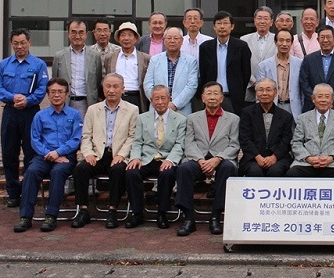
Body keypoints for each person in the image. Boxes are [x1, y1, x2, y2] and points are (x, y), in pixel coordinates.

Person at [13, 77, 82, 233]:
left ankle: (51, 216)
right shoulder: (40, 115)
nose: (56, 95)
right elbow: (35, 140)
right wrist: (49, 154)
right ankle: (25, 217)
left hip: (66, 157)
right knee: (31, 172)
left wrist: (58, 152)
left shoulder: (75, 115)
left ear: (66, 94)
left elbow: (76, 139)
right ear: (48, 95)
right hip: (43, 156)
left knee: (57, 173)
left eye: (60, 92)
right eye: (53, 92)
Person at [72, 73, 139, 229]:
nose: (111, 90)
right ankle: (83, 210)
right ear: (103, 88)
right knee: (80, 169)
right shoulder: (92, 109)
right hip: (97, 154)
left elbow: (133, 136)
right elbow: (86, 135)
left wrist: (121, 155)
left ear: (123, 89)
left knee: (118, 170)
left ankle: (112, 210)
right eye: (108, 86)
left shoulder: (132, 110)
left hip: (119, 154)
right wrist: (88, 153)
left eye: (115, 86)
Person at [0, 28, 49, 208]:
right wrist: (12, 98)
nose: (19, 46)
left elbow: (42, 88)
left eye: (23, 43)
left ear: (29, 42)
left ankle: (27, 191)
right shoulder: (3, 65)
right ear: (11, 44)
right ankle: (13, 193)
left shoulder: (39, 65)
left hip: (30, 113)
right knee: (9, 153)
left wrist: (28, 100)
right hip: (10, 113)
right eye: (16, 43)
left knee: (31, 153)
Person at [176, 81, 241, 236]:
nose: (212, 97)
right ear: (203, 98)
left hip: (221, 159)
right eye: (209, 94)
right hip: (198, 159)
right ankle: (188, 218)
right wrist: (200, 160)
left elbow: (234, 145)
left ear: (222, 98)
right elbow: (189, 142)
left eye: (216, 94)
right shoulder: (192, 118)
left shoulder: (233, 119)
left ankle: (216, 216)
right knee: (184, 169)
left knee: (228, 168)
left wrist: (218, 158)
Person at [124, 85, 186, 229]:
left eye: (163, 98)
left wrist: (170, 160)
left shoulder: (181, 119)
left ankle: (162, 213)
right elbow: (137, 141)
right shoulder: (142, 118)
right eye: (156, 99)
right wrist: (135, 157)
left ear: (169, 99)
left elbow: (180, 144)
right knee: (131, 172)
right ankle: (137, 213)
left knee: (167, 174)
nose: (160, 102)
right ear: (151, 101)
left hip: (166, 158)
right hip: (146, 158)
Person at [287, 83, 334, 177]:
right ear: (313, 99)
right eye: (320, 96)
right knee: (293, 173)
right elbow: (296, 142)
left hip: (333, 164)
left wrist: (331, 158)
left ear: (332, 99)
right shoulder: (302, 118)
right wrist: (308, 158)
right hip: (307, 163)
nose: (323, 100)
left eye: (327, 97)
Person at [198, 11, 252, 114]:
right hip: (212, 97)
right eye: (219, 23)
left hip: (234, 97)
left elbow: (246, 73)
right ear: (214, 27)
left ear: (232, 26)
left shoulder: (241, 46)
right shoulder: (205, 47)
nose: (222, 26)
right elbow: (203, 73)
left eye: (225, 23)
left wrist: (238, 90)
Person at [238, 78, 294, 177]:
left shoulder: (286, 116)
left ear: (275, 93)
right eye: (261, 90)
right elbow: (245, 138)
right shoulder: (247, 113)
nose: (264, 93)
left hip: (278, 158)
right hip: (253, 157)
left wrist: (274, 157)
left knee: (276, 170)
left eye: (268, 90)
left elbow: (286, 140)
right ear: (256, 93)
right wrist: (257, 156)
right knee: (254, 171)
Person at [52, 18, 102, 120]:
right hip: (65, 103)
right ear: (68, 34)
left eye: (81, 32)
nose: (77, 36)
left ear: (86, 34)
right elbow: (54, 81)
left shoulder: (95, 56)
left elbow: (97, 81)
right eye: (73, 32)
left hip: (88, 103)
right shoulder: (59, 56)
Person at [143, 27, 199, 116]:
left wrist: (175, 104)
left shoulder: (191, 61)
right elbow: (148, 84)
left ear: (182, 41)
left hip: (181, 109)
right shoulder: (155, 60)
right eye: (169, 38)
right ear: (164, 41)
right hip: (157, 108)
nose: (172, 41)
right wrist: (159, 102)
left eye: (176, 38)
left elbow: (191, 86)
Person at [298, 25, 334, 113]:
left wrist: (333, 103)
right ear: (318, 40)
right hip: (312, 107)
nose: (325, 40)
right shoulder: (308, 59)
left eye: (328, 37)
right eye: (322, 37)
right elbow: (304, 82)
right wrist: (316, 100)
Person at [103, 22, 151, 112]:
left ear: (135, 38)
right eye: (123, 35)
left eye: (130, 35)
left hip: (137, 98)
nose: (126, 38)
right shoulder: (110, 57)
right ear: (118, 38)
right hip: (117, 97)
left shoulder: (145, 58)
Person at [256, 29, 304, 118]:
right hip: (272, 106)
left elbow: (303, 90)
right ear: (275, 42)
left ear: (292, 43)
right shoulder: (263, 66)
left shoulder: (300, 64)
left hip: (293, 108)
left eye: (288, 41)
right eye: (281, 40)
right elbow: (259, 92)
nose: (284, 44)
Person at [241, 6, 277, 106]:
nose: (262, 21)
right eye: (259, 18)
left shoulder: (277, 39)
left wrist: (266, 84)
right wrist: (253, 81)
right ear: (255, 20)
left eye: (266, 19)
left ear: (271, 22)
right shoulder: (244, 40)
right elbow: (242, 64)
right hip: (249, 88)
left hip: (271, 88)